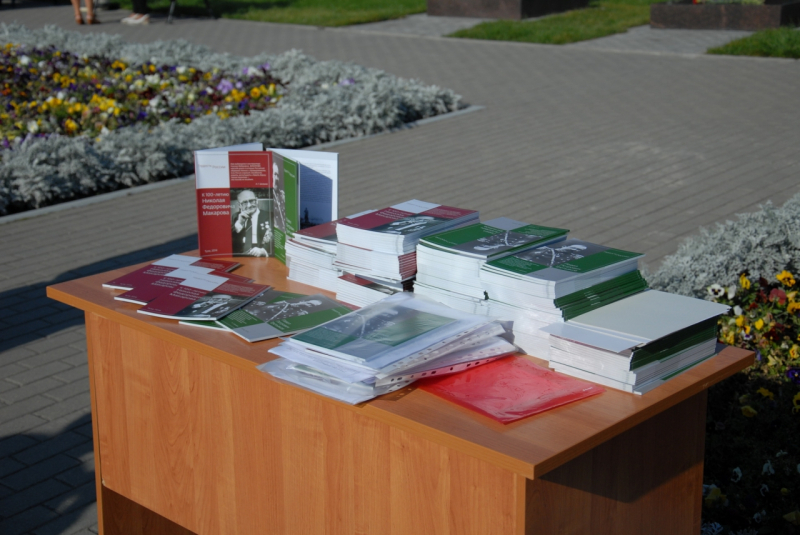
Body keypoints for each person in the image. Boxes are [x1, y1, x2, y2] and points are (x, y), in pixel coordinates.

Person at [231, 190, 271, 257]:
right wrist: (240, 223)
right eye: (244, 202)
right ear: (239, 205)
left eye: (251, 201)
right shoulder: (235, 217)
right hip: (241, 253)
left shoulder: (269, 216)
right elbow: (230, 240)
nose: (249, 205)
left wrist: (263, 250)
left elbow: (273, 238)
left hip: (260, 251)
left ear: (256, 200)